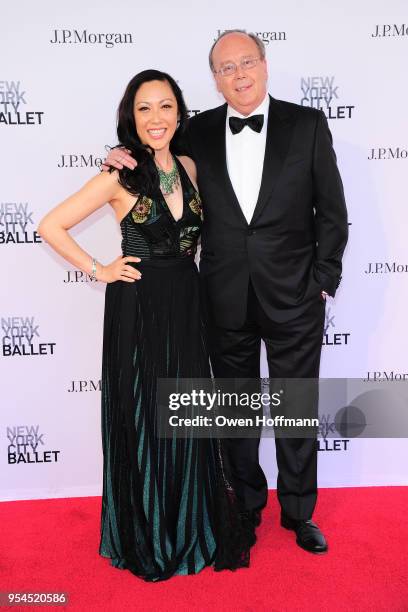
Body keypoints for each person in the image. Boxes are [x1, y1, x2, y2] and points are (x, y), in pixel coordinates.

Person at [103, 31, 349, 555]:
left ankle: (300, 512)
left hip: (295, 296)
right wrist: (120, 154)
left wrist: (323, 280)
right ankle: (247, 504)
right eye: (224, 67)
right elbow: (156, 155)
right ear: (213, 78)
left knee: (295, 407)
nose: (237, 75)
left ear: (264, 64)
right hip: (220, 296)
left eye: (246, 63)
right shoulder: (196, 131)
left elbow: (331, 209)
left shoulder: (306, 124)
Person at [37, 69, 255, 582]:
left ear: (180, 112)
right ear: (130, 118)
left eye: (164, 106)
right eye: (144, 108)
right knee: (145, 414)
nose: (155, 118)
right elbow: (50, 224)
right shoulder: (119, 175)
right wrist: (99, 269)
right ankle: (154, 533)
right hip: (138, 305)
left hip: (186, 301)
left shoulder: (189, 166)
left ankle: (189, 525)